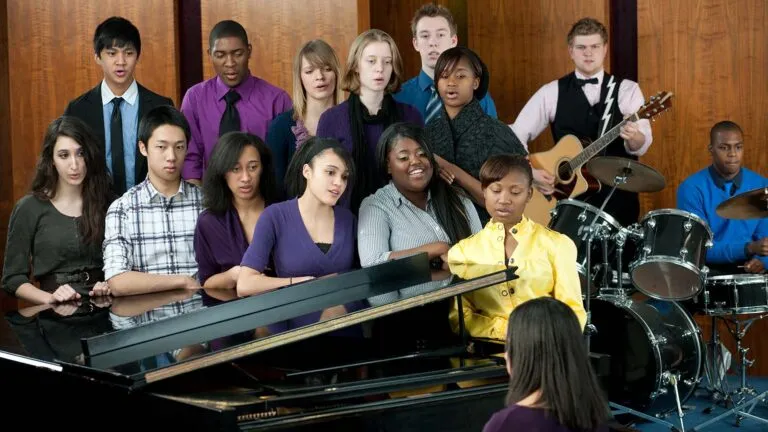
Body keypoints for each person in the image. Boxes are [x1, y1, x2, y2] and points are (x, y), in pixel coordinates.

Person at [510, 17, 652, 227]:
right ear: (571, 51)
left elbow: (642, 143)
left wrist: (634, 138)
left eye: (595, 46)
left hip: (617, 197)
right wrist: (530, 171)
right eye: (581, 47)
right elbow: (515, 134)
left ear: (604, 49)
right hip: (565, 200)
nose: (588, 53)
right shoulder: (551, 92)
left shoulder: (627, 90)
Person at [446, 154, 586, 341]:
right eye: (496, 190)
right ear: (484, 191)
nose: (504, 200)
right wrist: (508, 330)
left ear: (529, 194)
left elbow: (573, 312)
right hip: (486, 360)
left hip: (546, 354)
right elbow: (459, 318)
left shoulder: (558, 244)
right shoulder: (462, 252)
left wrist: (541, 339)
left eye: (515, 192)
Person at [237, 137, 358, 333]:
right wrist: (298, 282)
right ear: (306, 171)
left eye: (344, 177)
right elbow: (245, 283)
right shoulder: (275, 216)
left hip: (342, 316)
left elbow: (358, 276)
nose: (338, 183)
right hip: (293, 318)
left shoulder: (348, 219)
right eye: (330, 172)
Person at [2, 116, 113, 305]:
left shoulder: (110, 203)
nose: (74, 165)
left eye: (80, 153)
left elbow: (129, 267)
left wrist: (111, 284)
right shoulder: (29, 208)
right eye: (64, 155)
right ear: (51, 160)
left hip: (105, 309)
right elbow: (12, 279)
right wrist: (50, 298)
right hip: (55, 313)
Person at [64, 16, 174, 196]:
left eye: (128, 53)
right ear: (97, 57)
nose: (121, 61)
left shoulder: (160, 106)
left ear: (138, 56)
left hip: (147, 208)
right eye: (112, 53)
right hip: (93, 208)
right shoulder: (77, 110)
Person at [316, 29, 423, 213]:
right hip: (347, 217)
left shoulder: (410, 116)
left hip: (403, 216)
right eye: (371, 61)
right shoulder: (331, 120)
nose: (380, 68)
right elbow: (322, 182)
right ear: (356, 65)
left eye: (387, 62)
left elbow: (420, 174)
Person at [102, 106, 203, 296]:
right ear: (143, 147)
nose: (171, 156)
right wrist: (181, 281)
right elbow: (117, 281)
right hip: (148, 319)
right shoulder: (123, 209)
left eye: (179, 147)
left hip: (202, 318)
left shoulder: (206, 203)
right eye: (161, 147)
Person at [181, 19, 292, 184]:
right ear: (209, 54)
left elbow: (287, 163)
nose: (230, 63)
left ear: (249, 51)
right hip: (209, 199)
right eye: (220, 55)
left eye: (237, 54)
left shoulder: (277, 100)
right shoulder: (195, 98)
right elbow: (190, 159)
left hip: (264, 200)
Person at [358, 122, 482, 268]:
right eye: (404, 158)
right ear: (388, 165)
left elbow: (482, 254)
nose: (416, 161)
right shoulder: (377, 205)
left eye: (422, 154)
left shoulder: (456, 197)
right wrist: (436, 249)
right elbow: (373, 264)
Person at [425, 46, 526, 223]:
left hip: (490, 234)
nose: (451, 82)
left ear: (476, 82)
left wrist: (451, 169)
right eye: (444, 76)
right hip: (436, 229)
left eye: (460, 76)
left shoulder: (497, 132)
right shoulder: (428, 132)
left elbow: (505, 202)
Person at [482, 297, 610, 432]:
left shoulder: (505, 424)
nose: (506, 355)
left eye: (509, 345)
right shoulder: (594, 416)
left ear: (525, 355)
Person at [677, 121, 768, 275]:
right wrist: (748, 248)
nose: (732, 154)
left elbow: (765, 239)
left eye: (738, 147)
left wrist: (763, 261)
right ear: (711, 150)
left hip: (751, 270)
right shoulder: (691, 188)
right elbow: (698, 248)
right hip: (709, 272)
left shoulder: (761, 184)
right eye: (724, 147)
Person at [194, 132, 280, 291]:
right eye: (235, 169)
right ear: (222, 172)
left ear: (263, 168)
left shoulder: (283, 209)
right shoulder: (209, 222)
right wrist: (234, 275)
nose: (246, 177)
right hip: (236, 309)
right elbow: (206, 282)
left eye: (253, 167)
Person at [394, 3, 497, 122]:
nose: (433, 42)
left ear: (453, 41)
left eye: (440, 35)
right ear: (415, 43)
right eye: (425, 36)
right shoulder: (398, 98)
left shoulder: (477, 96)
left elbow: (493, 139)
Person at [266, 39, 344, 195]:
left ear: (336, 73)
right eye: (310, 71)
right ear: (300, 78)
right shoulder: (281, 127)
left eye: (327, 69)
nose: (320, 76)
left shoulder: (351, 121)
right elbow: (273, 190)